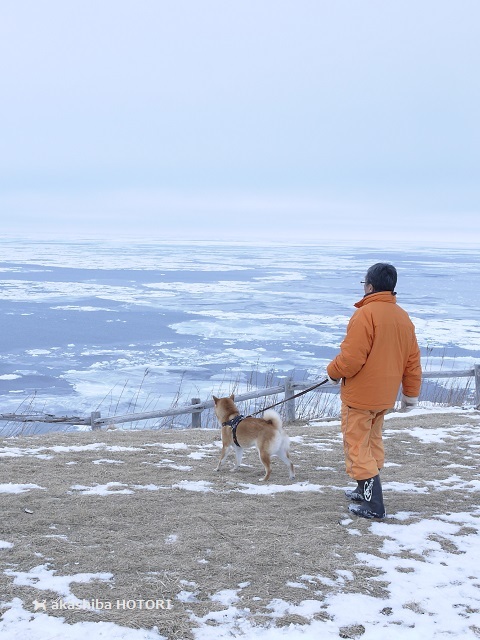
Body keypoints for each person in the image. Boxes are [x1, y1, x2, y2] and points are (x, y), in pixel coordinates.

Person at [326, 263, 422, 519]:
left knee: (356, 445)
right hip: (384, 397)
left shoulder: (365, 315)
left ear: (369, 286)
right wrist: (410, 394)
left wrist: (332, 372)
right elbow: (412, 361)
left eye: (363, 284)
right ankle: (363, 490)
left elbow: (350, 360)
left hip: (360, 396)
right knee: (372, 441)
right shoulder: (403, 317)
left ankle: (374, 506)